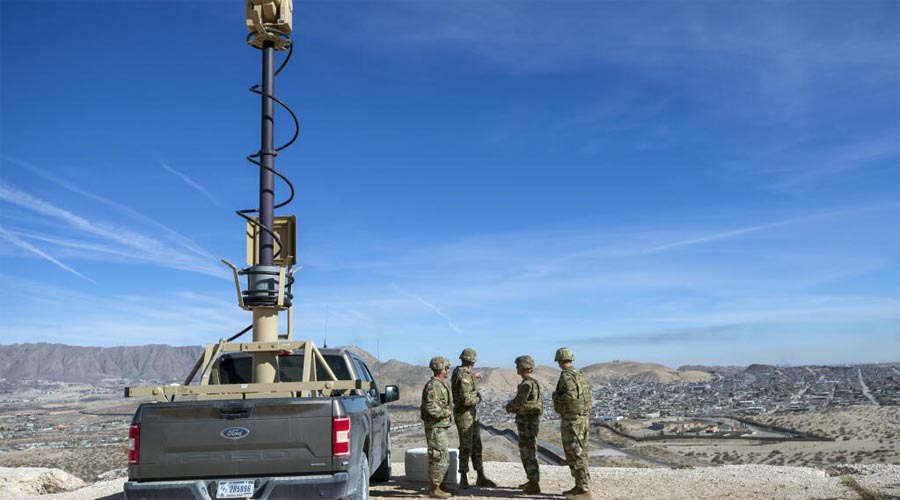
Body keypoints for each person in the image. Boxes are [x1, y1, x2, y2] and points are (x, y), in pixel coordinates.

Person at [451, 348, 496, 489]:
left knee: (477, 445)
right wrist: (478, 398)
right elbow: (465, 399)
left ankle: (480, 476)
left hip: (470, 415)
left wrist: (473, 376)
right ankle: (463, 478)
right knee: (466, 446)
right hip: (465, 415)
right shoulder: (464, 376)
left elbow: (464, 377)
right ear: (473, 361)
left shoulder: (462, 372)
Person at [552, 347, 592, 500]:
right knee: (579, 452)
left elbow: (571, 395)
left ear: (559, 361)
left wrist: (556, 397)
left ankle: (584, 490)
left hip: (573, 419)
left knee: (575, 453)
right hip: (581, 418)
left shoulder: (566, 376)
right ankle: (579, 486)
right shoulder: (579, 374)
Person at [505, 354, 542, 494]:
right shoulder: (532, 382)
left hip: (527, 423)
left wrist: (509, 407)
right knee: (529, 451)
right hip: (529, 422)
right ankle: (532, 480)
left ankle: (534, 483)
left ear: (523, 367)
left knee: (528, 452)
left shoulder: (527, 384)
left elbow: (518, 403)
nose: (516, 368)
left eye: (518, 365)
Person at [421, 356, 454, 499]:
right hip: (435, 427)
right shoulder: (433, 386)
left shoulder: (439, 384)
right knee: (437, 456)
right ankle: (434, 488)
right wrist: (446, 412)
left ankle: (440, 484)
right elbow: (431, 408)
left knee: (443, 456)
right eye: (446, 367)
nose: (448, 370)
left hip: (440, 426)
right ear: (441, 368)